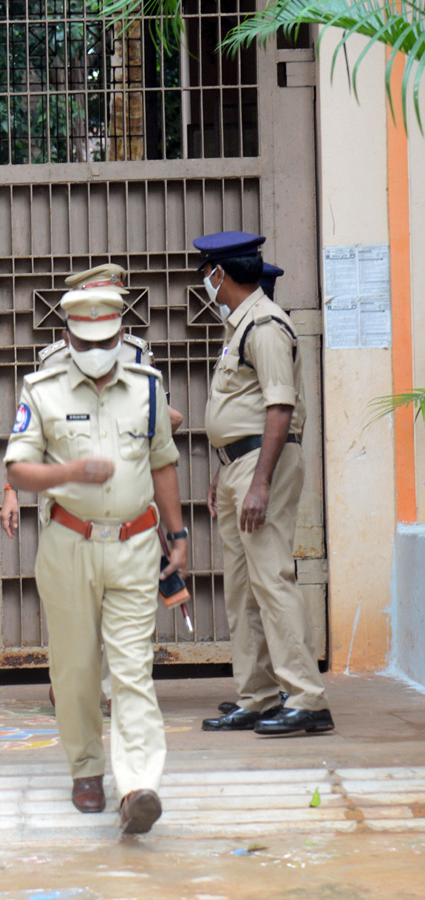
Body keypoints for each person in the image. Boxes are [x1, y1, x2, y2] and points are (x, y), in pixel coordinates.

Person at [4, 286, 186, 834]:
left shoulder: (148, 390)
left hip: (134, 544)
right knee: (76, 668)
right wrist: (68, 473)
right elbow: (17, 469)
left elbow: (163, 464)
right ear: (66, 338)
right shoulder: (41, 390)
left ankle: (138, 786)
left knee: (133, 670)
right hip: (69, 545)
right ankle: (86, 770)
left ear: (122, 336)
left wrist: (177, 533)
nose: (96, 349)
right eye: (84, 341)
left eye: (106, 340)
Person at [194, 232, 333, 737]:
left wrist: (259, 481)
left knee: (272, 581)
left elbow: (280, 407)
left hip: (261, 468)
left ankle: (308, 698)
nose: (205, 283)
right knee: (242, 590)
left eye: (206, 273)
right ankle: (257, 695)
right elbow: (243, 412)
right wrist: (226, 470)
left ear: (219, 274)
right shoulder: (239, 327)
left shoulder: (267, 325)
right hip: (240, 466)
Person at [0, 264, 184, 538]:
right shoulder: (53, 361)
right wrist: (10, 492)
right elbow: (29, 438)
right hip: (68, 511)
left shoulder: (135, 354)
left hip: (126, 507)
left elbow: (162, 428)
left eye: (117, 303)